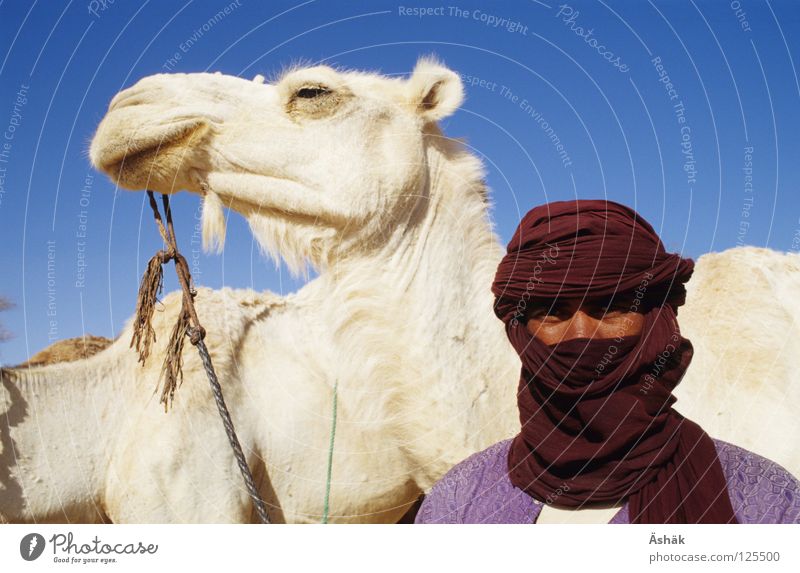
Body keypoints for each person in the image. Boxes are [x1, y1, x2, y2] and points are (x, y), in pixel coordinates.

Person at [415, 200, 800, 524]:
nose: (581, 333)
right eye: (552, 312)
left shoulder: (762, 501)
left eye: (611, 307)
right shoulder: (460, 504)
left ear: (656, 321)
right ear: (522, 332)